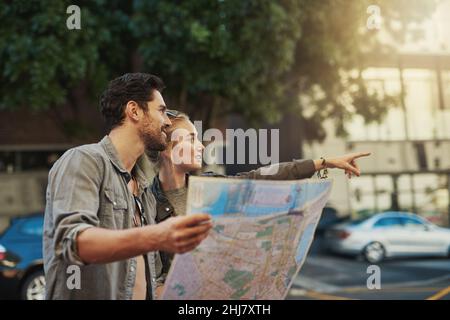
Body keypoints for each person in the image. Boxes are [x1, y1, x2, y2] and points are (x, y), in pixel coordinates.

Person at [151, 111, 370, 286]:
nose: (201, 146)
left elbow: (262, 176)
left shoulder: (210, 188)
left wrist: (324, 162)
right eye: (191, 139)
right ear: (168, 151)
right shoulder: (145, 201)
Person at [43, 74, 212, 300]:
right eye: (161, 111)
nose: (168, 121)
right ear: (134, 111)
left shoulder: (144, 192)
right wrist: (157, 236)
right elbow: (73, 243)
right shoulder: (84, 160)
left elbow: (151, 279)